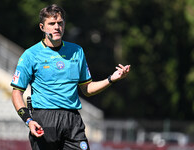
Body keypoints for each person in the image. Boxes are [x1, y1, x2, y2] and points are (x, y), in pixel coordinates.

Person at [11, 4, 130, 150]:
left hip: (72, 119)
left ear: (64, 25)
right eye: (52, 24)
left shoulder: (77, 51)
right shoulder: (30, 55)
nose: (56, 27)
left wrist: (111, 79)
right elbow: (16, 92)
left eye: (60, 23)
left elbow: (87, 88)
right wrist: (28, 120)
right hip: (44, 119)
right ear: (42, 27)